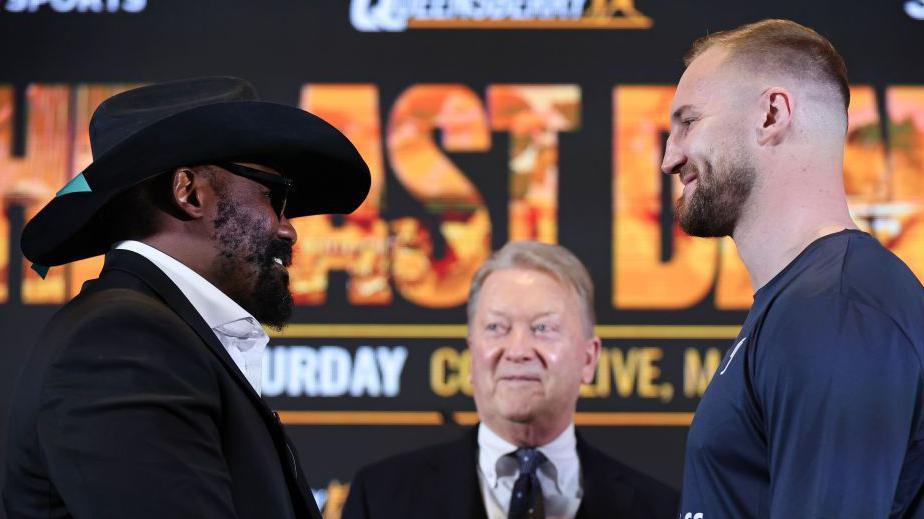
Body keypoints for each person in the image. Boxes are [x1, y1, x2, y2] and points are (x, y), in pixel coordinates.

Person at [3, 77, 371, 518]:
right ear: (190, 192)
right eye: (272, 197)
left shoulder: (154, 332)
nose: (287, 229)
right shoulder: (124, 341)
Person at [662, 19, 924, 517]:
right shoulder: (808, 301)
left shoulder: (837, 307)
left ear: (771, 114)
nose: (670, 157)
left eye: (689, 121)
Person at [342, 241, 678, 519]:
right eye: (496, 328)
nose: (517, 350)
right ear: (472, 356)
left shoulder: (661, 511)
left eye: (542, 328)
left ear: (589, 359)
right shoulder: (381, 498)